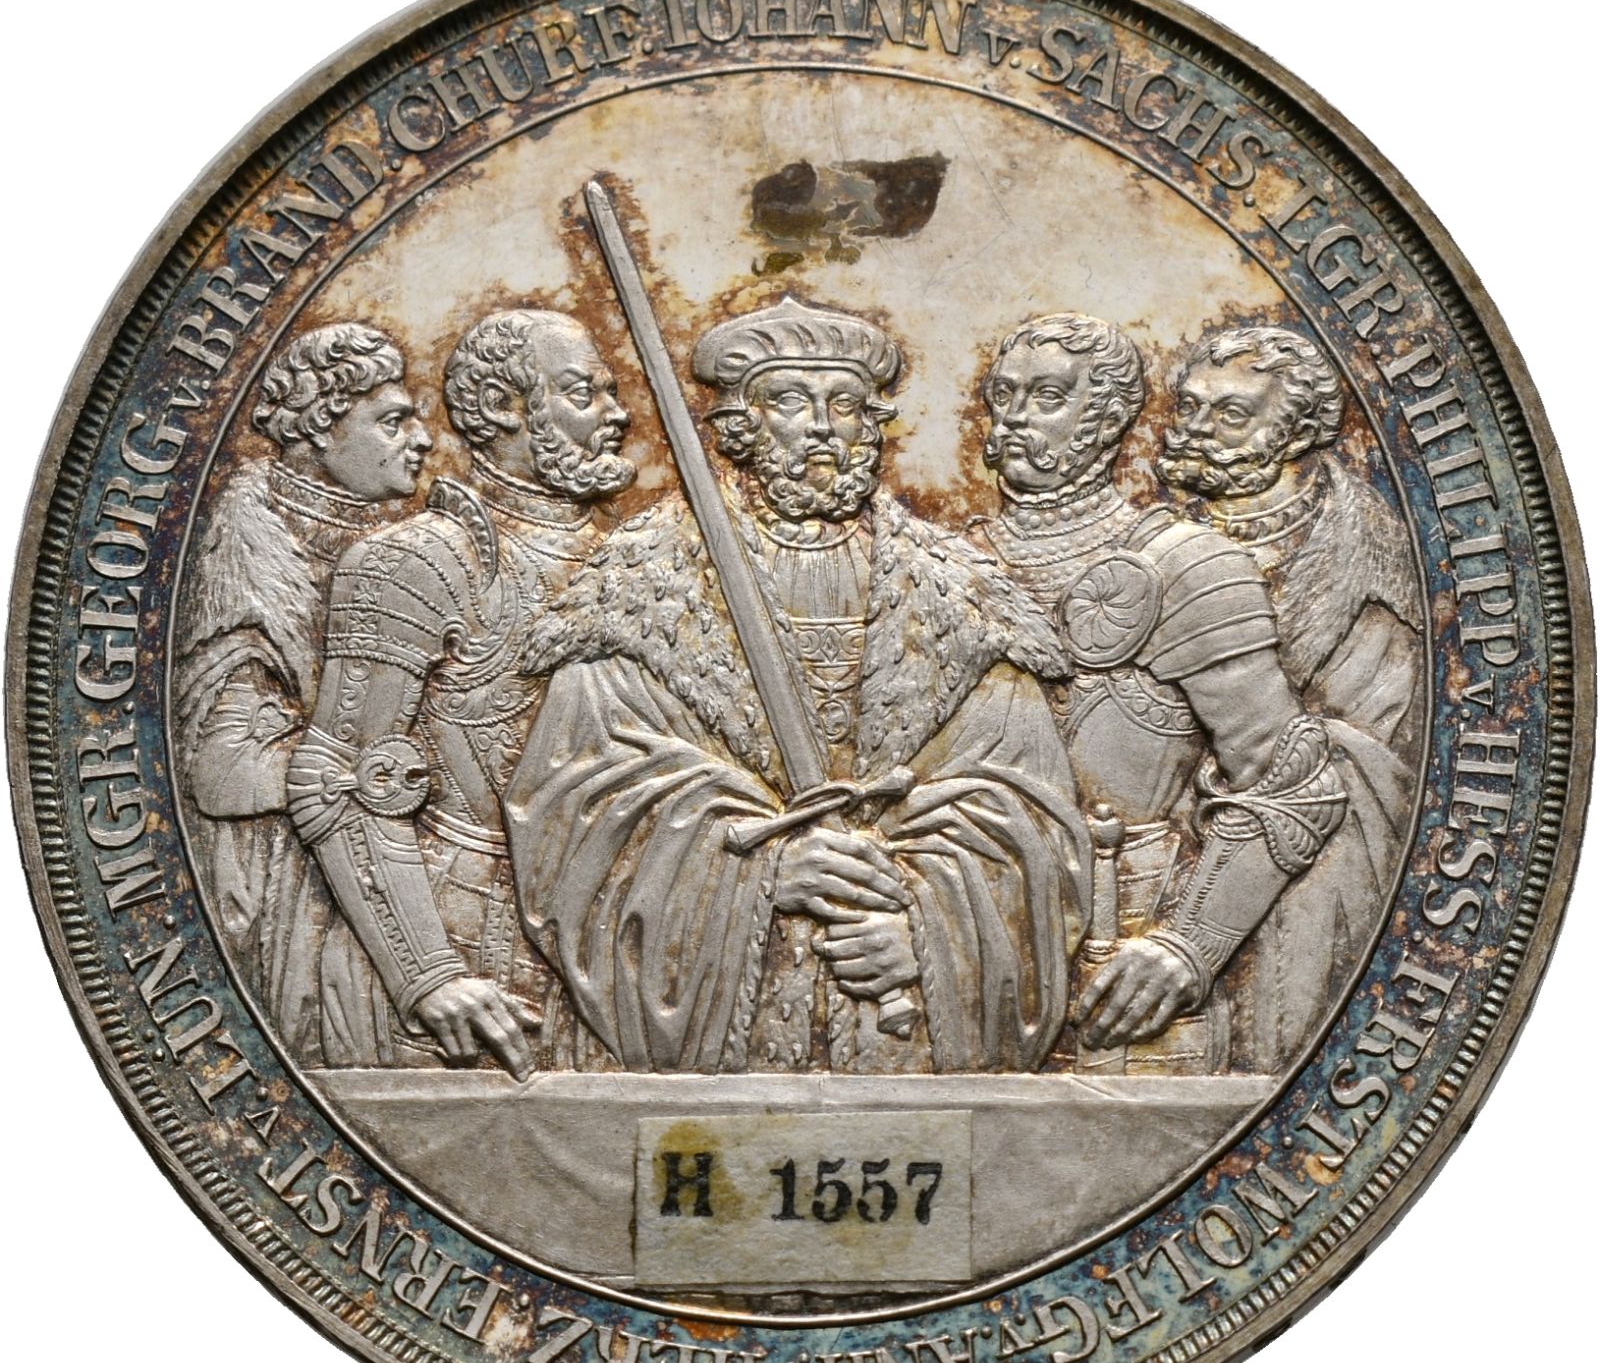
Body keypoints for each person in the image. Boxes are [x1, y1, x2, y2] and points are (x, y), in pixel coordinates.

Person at [505, 296, 1088, 1075]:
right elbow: (573, 801)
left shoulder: (962, 596)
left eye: (843, 404)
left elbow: (1030, 815)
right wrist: (751, 872)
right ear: (740, 426)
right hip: (719, 1027)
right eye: (789, 401)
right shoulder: (640, 586)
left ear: (871, 424)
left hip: (900, 1025)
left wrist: (934, 934)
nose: (820, 426)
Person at [969, 312, 1347, 1075]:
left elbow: (1293, 781)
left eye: (1048, 396)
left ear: (1109, 418)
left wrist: (1188, 946)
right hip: (966, 971)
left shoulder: (1191, 567)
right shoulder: (947, 561)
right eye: (1004, 395)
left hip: (1125, 991)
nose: (1015, 418)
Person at [287, 309, 635, 1074]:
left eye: (612, 393)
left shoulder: (638, 558)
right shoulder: (419, 561)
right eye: (584, 393)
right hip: (467, 945)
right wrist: (428, 975)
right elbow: (340, 776)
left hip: (617, 944)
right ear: (504, 407)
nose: (618, 416)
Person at [1160, 325, 1422, 1065]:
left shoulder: (1363, 555)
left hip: (1304, 869)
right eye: (1190, 407)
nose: (1197, 429)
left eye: (1230, 414)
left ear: (1298, 433)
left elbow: (1372, 755)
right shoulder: (1160, 543)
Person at [175, 321, 430, 1063]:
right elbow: (221, 772)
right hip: (293, 891)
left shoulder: (392, 544)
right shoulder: (249, 572)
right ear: (320, 429)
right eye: (392, 421)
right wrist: (362, 769)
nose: (420, 438)